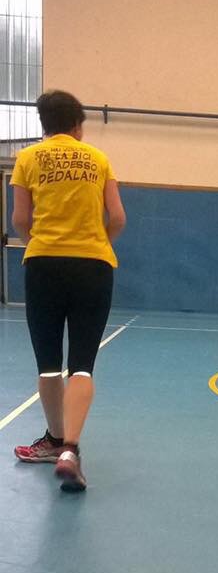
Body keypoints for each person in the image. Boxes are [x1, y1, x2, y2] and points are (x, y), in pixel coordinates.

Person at [10, 89, 126, 490]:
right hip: (93, 267)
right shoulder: (98, 159)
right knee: (81, 366)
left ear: (44, 124)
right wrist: (97, 244)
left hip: (43, 265)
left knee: (48, 364)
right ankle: (69, 450)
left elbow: (20, 219)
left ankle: (54, 439)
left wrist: (40, 243)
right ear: (78, 125)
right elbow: (118, 217)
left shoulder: (27, 158)